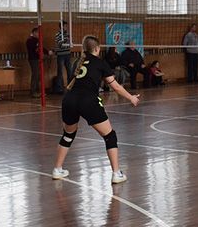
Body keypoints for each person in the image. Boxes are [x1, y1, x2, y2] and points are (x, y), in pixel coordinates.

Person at [51, 35, 140, 184]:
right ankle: (116, 173)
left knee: (68, 135)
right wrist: (131, 97)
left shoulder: (77, 62)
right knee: (110, 136)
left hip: (69, 100)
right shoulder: (101, 63)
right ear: (97, 49)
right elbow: (116, 87)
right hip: (88, 101)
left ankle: (57, 169)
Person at [27, 27, 51, 96]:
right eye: (38, 33)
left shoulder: (36, 40)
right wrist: (43, 53)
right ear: (34, 33)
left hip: (37, 59)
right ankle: (33, 91)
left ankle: (37, 91)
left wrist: (47, 52)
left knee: (38, 75)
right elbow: (37, 49)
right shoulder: (30, 40)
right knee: (35, 75)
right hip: (33, 59)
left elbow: (41, 48)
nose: (39, 35)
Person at [55, 21, 74, 88]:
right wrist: (66, 40)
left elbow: (70, 44)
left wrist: (67, 41)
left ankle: (70, 86)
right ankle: (59, 88)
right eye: (65, 26)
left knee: (70, 71)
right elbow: (60, 45)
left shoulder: (68, 34)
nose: (67, 27)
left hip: (68, 54)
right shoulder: (58, 34)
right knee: (60, 72)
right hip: (61, 55)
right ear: (62, 26)